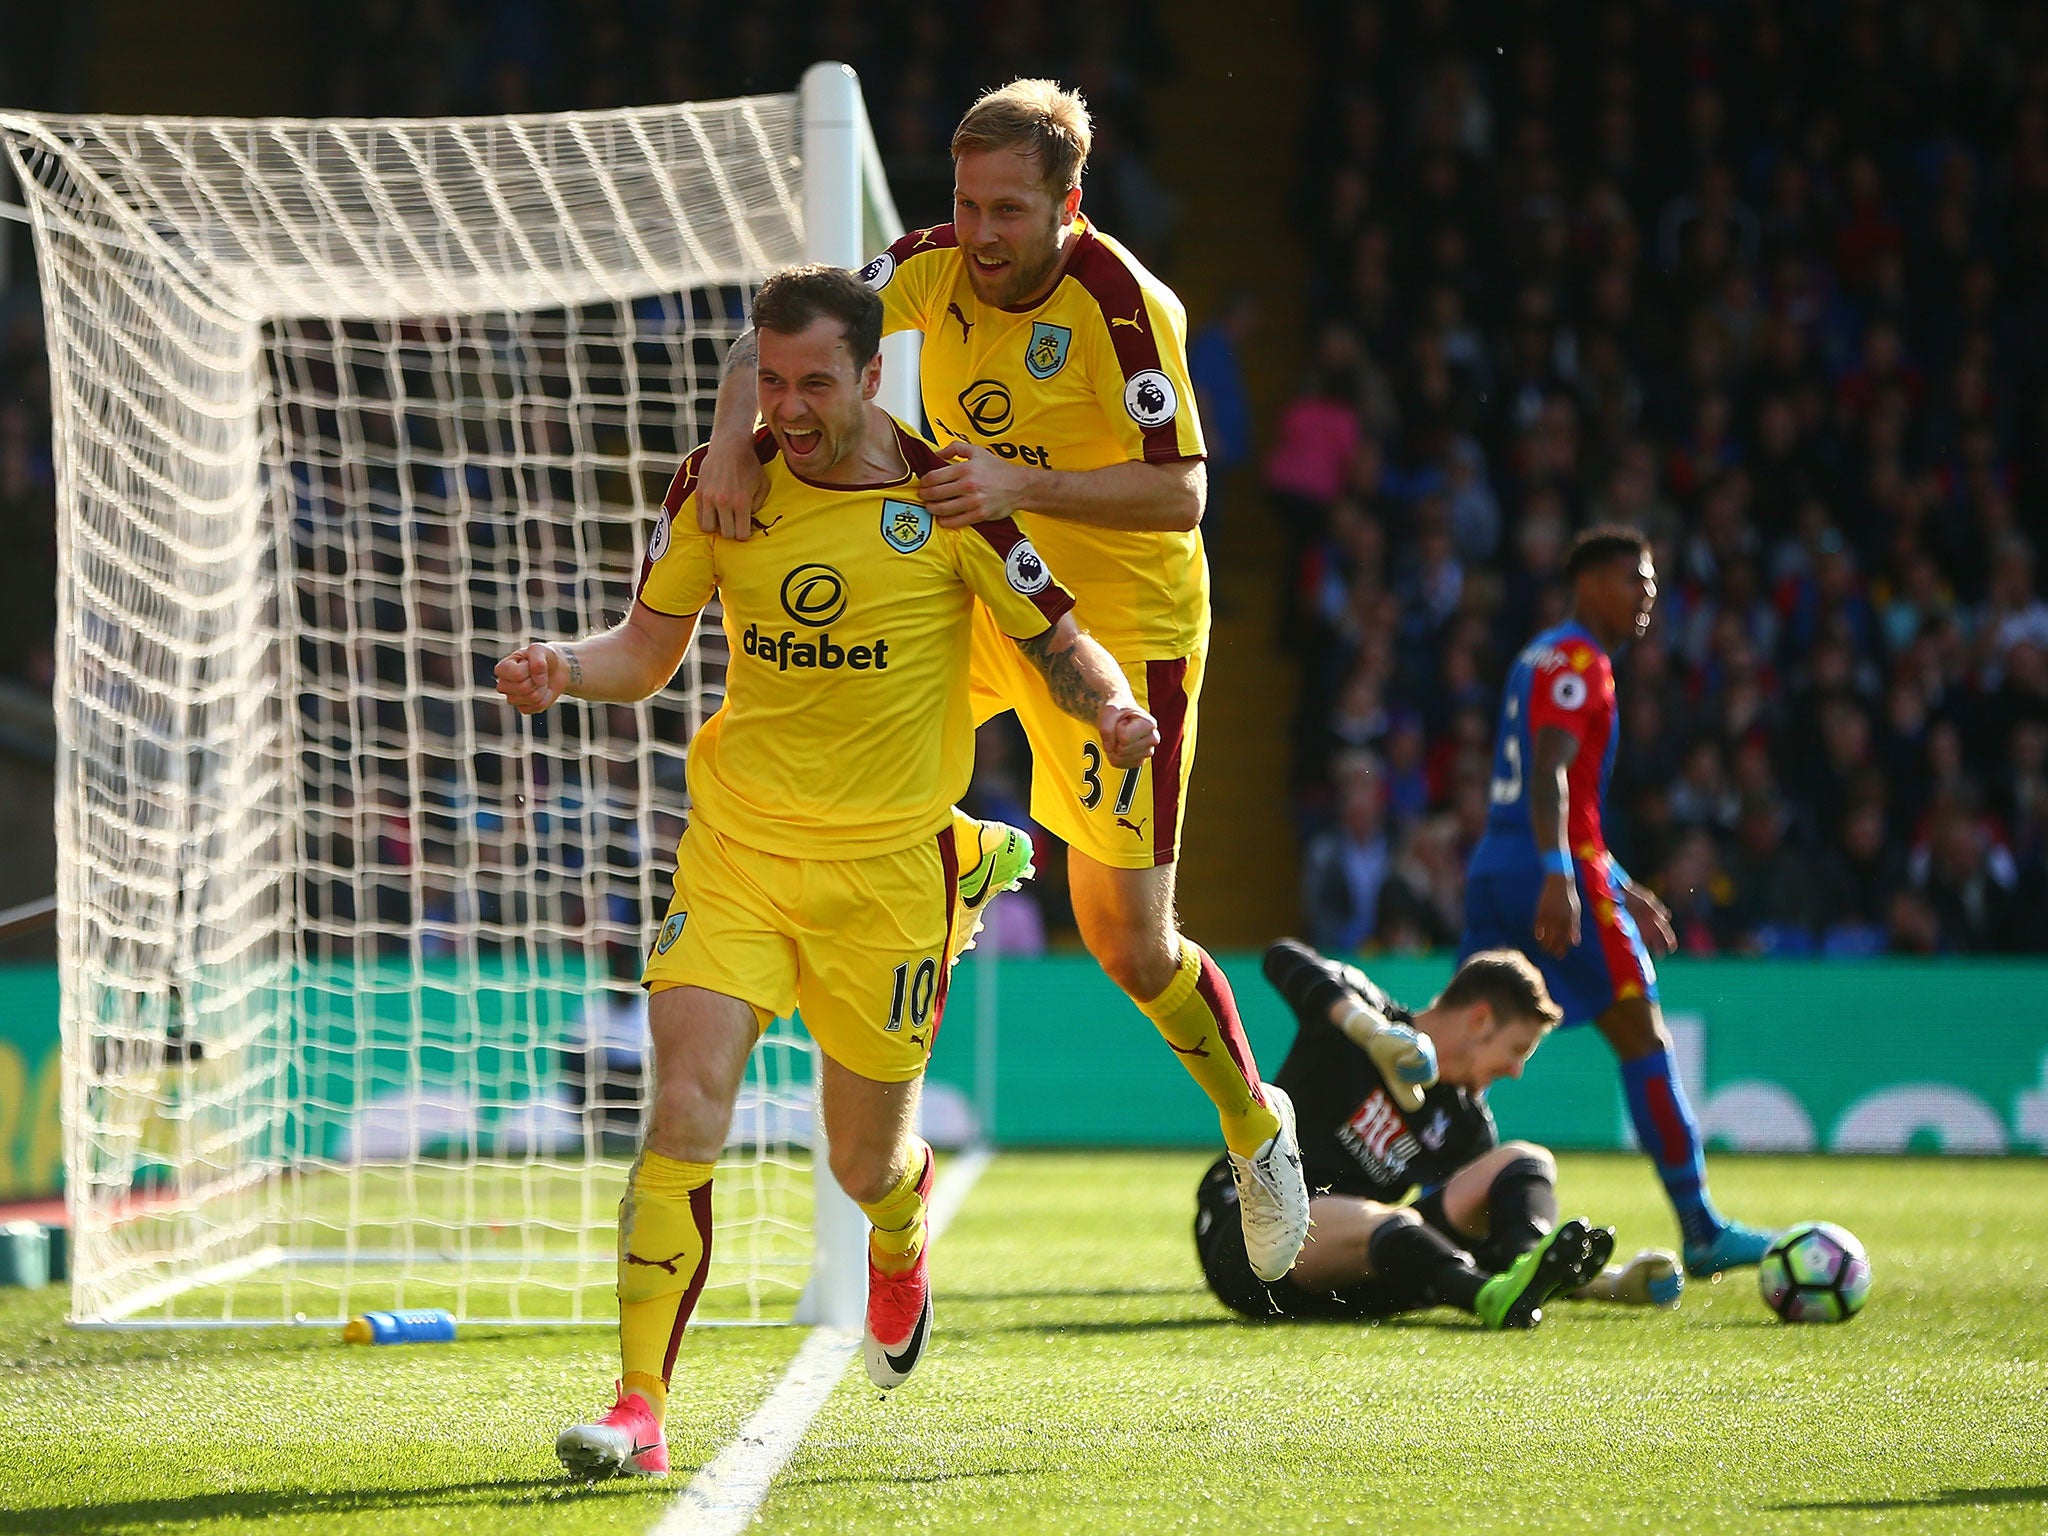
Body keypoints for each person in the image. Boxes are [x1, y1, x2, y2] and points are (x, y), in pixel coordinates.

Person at [499, 264, 1158, 1479]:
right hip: (737, 851)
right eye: (770, 378)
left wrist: (1113, 711)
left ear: (869, 376)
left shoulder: (948, 496)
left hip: (885, 875)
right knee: (684, 1102)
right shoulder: (718, 483)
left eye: (814, 384)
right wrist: (562, 669)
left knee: (863, 1163)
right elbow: (644, 654)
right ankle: (638, 1406)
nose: (788, 408)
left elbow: (1061, 645)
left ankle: (898, 1234)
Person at [694, 80, 1311, 1282]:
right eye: (967, 204)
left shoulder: (1124, 308)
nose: (978, 234)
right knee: (845, 729)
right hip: (975, 590)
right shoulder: (923, 264)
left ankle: (1252, 1119)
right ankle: (958, 848)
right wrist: (728, 445)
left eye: (1008, 212)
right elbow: (763, 341)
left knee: (1126, 946)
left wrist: (1021, 485)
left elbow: (1182, 492)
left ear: (1069, 207)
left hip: (1115, 632)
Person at [1462, 526, 1780, 1277]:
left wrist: (1617, 878)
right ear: (1592, 584)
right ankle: (1700, 1228)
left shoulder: (1536, 655)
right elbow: (1550, 775)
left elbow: (1550, 794)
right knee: (1643, 1036)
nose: (1649, 595)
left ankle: (1434, 1206)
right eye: (1635, 580)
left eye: (1651, 582)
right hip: (1548, 867)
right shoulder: (1581, 661)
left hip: (1496, 865)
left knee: (1463, 1049)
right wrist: (1564, 874)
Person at [1196, 939, 1681, 1328]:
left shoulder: (1466, 1125)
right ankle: (1485, 1299)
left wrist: (1612, 1283)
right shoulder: (1367, 1019)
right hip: (1249, 1242)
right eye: (1516, 1049)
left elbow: (1480, 1234)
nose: (1514, 1071)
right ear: (1479, 1020)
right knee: (1384, 1221)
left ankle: (1535, 1270)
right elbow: (1283, 957)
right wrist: (1368, 1031)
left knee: (1523, 1162)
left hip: (1364, 1259)